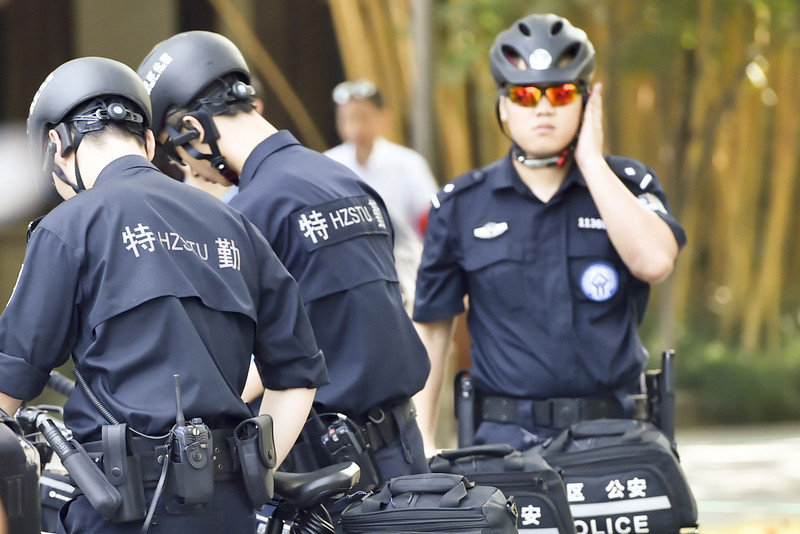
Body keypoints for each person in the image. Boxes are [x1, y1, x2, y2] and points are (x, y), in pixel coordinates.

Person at [0, 56, 328, 534]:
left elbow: (8, 386)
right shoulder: (235, 225)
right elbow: (298, 375)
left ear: (57, 143)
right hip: (231, 510)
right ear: (150, 141)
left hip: (121, 509)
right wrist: (253, 470)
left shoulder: (69, 226)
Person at [137, 31, 431, 486]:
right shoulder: (345, 180)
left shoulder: (246, 216)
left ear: (194, 132)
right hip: (408, 458)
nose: (190, 172)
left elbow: (234, 371)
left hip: (325, 470)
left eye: (180, 158)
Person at [412, 13, 687, 454]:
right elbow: (432, 328)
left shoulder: (629, 184)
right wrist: (420, 440)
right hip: (505, 444)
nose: (543, 107)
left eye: (560, 93)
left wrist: (593, 163)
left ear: (587, 101)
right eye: (525, 95)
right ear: (503, 105)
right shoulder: (461, 204)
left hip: (615, 437)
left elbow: (654, 262)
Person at [325, 79, 438, 311]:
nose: (354, 126)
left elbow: (431, 222)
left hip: (405, 268)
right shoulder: (327, 164)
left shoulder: (408, 163)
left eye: (363, 117)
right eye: (346, 118)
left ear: (384, 117)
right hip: (347, 275)